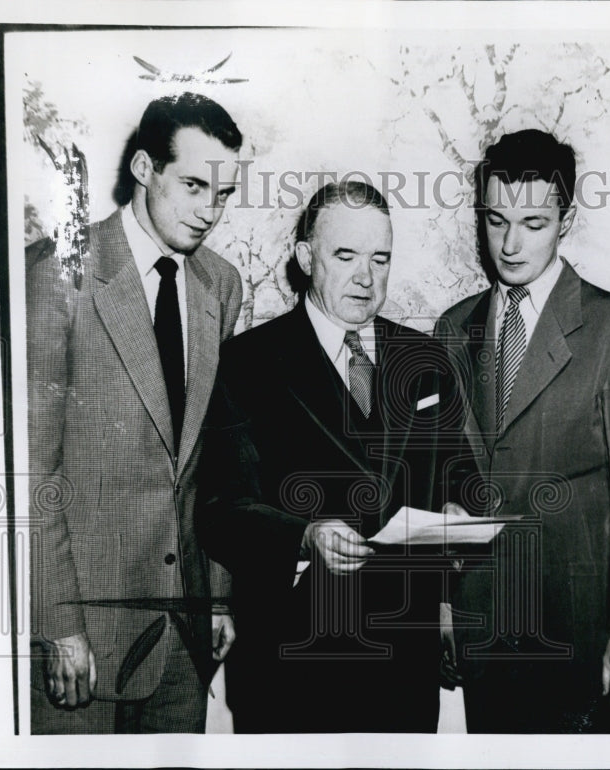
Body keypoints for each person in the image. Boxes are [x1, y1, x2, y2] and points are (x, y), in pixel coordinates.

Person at [196, 181, 473, 733]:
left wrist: (459, 513)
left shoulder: (423, 358)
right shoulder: (247, 362)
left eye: (380, 258)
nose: (366, 278)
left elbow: (458, 473)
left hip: (405, 669)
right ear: (305, 258)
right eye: (345, 256)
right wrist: (304, 534)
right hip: (291, 666)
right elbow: (223, 509)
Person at [27, 92, 243, 733]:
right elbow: (33, 472)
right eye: (195, 186)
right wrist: (58, 622)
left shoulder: (223, 285)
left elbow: (218, 462)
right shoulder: (57, 274)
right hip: (84, 634)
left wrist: (219, 597)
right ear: (145, 168)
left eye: (225, 193)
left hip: (183, 633)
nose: (211, 212)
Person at [435, 129, 610, 733]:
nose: (510, 244)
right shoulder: (452, 328)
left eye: (533, 222)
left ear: (567, 219)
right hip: (481, 623)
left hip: (578, 629)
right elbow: (441, 478)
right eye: (495, 220)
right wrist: (442, 601)